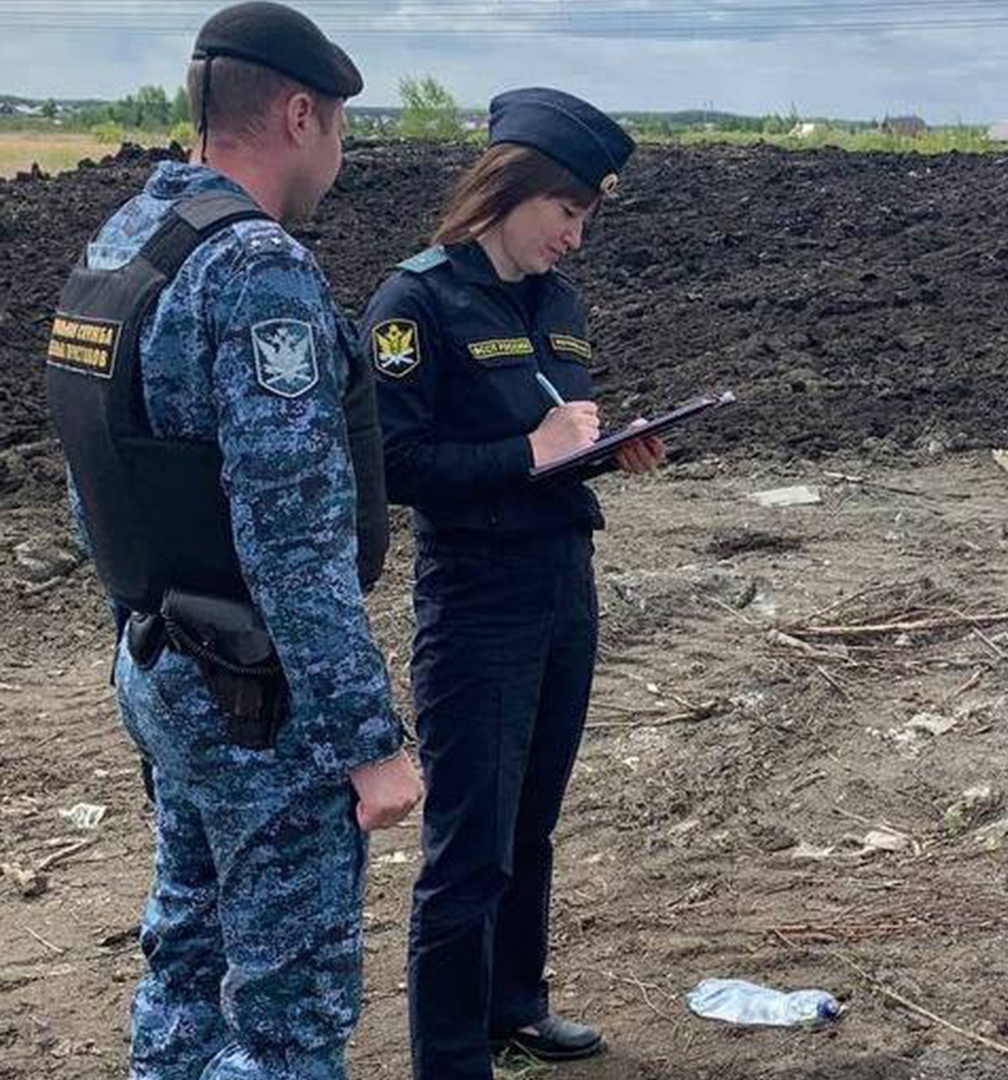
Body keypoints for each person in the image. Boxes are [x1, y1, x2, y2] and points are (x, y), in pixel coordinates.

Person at [43, 4, 421, 1078]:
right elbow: (292, 535)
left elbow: (97, 481)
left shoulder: (129, 243)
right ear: (299, 114)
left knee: (187, 957)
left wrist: (145, 639)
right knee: (287, 1020)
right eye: (339, 130)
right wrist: (370, 738)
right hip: (263, 698)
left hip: (165, 660)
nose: (339, 159)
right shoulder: (256, 270)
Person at [362, 87, 665, 1079]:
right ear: (511, 187)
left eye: (585, 220)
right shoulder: (416, 304)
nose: (575, 237)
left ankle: (513, 1007)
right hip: (478, 595)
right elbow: (398, 467)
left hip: (560, 581)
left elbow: (555, 439)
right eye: (566, 213)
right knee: (471, 845)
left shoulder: (557, 303)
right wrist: (526, 453)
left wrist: (604, 448)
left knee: (532, 816)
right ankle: (450, 1057)